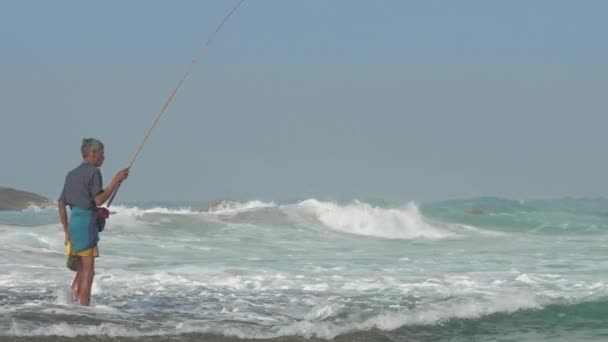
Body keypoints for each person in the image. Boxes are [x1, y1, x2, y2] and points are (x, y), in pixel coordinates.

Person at [58, 138, 129, 305]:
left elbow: (61, 203)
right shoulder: (94, 172)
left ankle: (74, 306)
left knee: (81, 271)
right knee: (88, 272)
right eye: (102, 153)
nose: (104, 157)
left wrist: (66, 230)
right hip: (86, 227)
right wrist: (116, 180)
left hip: (74, 226)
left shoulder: (71, 174)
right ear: (92, 154)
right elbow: (98, 200)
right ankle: (84, 310)